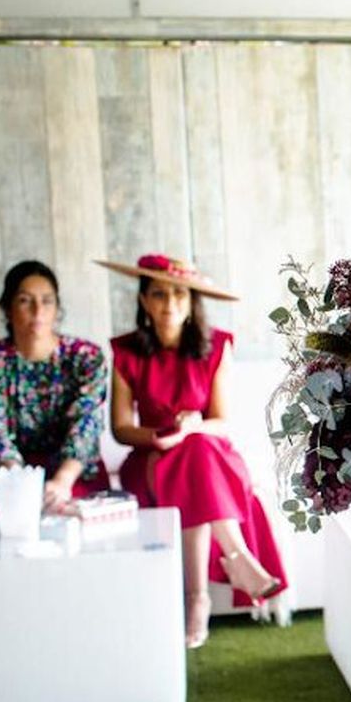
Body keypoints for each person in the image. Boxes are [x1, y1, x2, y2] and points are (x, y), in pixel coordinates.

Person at [101, 254, 288, 649]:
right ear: (144, 301)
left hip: (206, 451)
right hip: (151, 455)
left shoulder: (217, 346)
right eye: (159, 294)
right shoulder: (125, 351)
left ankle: (197, 598)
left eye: (179, 294)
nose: (169, 303)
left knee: (198, 451)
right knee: (194, 460)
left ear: (191, 302)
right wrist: (158, 436)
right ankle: (237, 560)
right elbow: (120, 429)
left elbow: (220, 420)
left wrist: (191, 428)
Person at [0, 260, 109, 516]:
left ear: (57, 308)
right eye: (25, 300)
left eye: (47, 301)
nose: (37, 310)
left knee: (69, 510)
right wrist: (19, 481)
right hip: (11, 468)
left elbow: (87, 423)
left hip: (72, 468)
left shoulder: (86, 358)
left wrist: (63, 480)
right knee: (11, 509)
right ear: (7, 308)